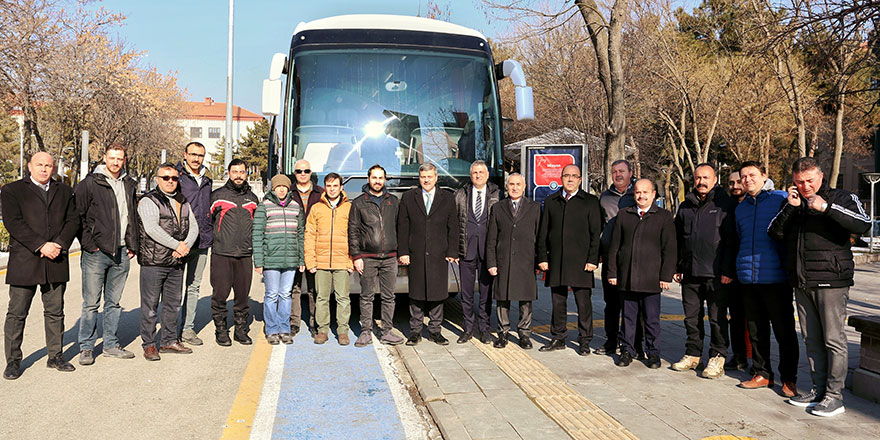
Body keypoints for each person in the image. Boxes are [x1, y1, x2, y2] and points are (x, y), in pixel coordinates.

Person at [769, 157, 871, 417]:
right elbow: (774, 233)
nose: (805, 186)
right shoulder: (793, 202)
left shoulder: (841, 197)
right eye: (799, 182)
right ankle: (818, 389)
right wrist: (791, 208)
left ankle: (835, 397)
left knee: (833, 339)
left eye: (809, 181)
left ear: (821, 177)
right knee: (812, 339)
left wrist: (827, 208)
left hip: (831, 280)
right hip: (802, 280)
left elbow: (863, 224)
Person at [2, 152, 80, 379]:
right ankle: (13, 361)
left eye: (48, 165)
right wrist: (40, 245)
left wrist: (59, 244)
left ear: (54, 168)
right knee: (17, 314)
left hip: (56, 260)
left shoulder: (65, 191)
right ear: (29, 166)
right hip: (25, 261)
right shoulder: (12, 190)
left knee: (55, 312)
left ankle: (55, 356)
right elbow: (13, 222)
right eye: (39, 165)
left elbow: (73, 220)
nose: (44, 169)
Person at [733, 161, 799, 397]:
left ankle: (789, 379)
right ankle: (762, 373)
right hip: (749, 278)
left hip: (776, 277)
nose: (747, 179)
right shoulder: (741, 208)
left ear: (764, 175)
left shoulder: (780, 199)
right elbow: (740, 238)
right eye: (743, 176)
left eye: (752, 174)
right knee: (756, 330)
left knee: (784, 332)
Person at [75, 145, 139, 365]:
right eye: (112, 158)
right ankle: (86, 347)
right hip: (96, 252)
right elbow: (78, 215)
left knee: (114, 302)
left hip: (121, 252)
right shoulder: (91, 183)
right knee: (91, 303)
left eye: (119, 158)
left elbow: (132, 215)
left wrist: (132, 245)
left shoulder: (129, 183)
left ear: (124, 159)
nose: (115, 162)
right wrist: (89, 244)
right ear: (104, 158)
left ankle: (111, 344)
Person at [671, 163, 737, 378]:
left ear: (715, 179)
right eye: (698, 178)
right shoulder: (685, 206)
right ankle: (692, 354)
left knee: (717, 318)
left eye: (706, 177)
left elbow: (731, 241)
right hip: (690, 273)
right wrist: (677, 266)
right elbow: (679, 239)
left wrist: (728, 270)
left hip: (716, 274)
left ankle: (718, 356)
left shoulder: (725, 205)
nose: (701, 182)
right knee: (691, 317)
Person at [607, 179, 676, 368]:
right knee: (628, 318)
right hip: (627, 277)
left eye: (646, 192)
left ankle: (653, 353)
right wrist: (613, 272)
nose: (641, 196)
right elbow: (615, 246)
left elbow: (669, 248)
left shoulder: (663, 216)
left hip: (651, 278)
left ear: (653, 194)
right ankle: (627, 350)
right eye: (638, 192)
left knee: (652, 319)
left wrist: (665, 276)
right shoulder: (624, 215)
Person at [537, 164, 602, 355]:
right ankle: (558, 337)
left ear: (580, 180)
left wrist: (592, 259)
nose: (570, 179)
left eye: (574, 176)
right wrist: (542, 257)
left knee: (583, 303)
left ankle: (584, 340)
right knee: (558, 302)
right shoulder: (551, 201)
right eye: (567, 175)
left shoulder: (590, 201)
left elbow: (595, 233)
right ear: (561, 178)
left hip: (582, 262)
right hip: (556, 260)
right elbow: (543, 232)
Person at [137, 163, 198, 360]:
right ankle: (149, 344)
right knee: (150, 306)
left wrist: (185, 246)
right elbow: (152, 229)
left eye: (173, 178)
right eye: (166, 178)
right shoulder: (149, 200)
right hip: (154, 262)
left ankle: (169, 341)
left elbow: (194, 227)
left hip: (176, 262)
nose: (170, 181)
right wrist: (176, 245)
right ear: (157, 179)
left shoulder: (182, 200)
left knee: (173, 304)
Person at [398, 163, 458, 346]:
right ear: (419, 178)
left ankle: (435, 331)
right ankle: (415, 331)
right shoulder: (409, 197)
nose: (426, 180)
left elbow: (453, 226)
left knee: (438, 293)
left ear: (436, 177)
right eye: (423, 177)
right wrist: (403, 251)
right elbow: (403, 226)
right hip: (415, 253)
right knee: (416, 293)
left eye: (429, 176)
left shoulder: (447, 197)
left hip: (439, 253)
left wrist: (452, 251)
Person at [348, 165, 405, 347]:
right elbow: (353, 231)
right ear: (368, 179)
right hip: (367, 257)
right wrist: (356, 256)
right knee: (367, 296)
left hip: (390, 257)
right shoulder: (358, 203)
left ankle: (387, 331)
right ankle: (366, 331)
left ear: (385, 180)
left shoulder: (394, 201)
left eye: (381, 178)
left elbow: (401, 229)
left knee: (389, 296)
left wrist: (401, 252)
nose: (378, 181)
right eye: (374, 177)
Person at [487, 173, 540, 349]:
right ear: (507, 187)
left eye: (518, 184)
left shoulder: (534, 207)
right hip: (504, 260)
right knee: (503, 298)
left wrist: (540, 260)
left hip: (526, 261)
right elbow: (491, 239)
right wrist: (492, 263)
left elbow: (539, 237)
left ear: (524, 186)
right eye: (511, 184)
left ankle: (524, 333)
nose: (515, 187)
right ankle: (503, 333)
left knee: (525, 299)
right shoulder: (498, 208)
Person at [210, 159, 260, 346]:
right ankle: (221, 330)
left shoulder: (253, 199)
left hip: (245, 255)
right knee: (220, 294)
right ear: (228, 173)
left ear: (247, 174)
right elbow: (209, 223)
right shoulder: (217, 196)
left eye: (242, 172)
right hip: (222, 253)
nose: (238, 175)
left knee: (242, 296)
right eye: (235, 172)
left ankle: (240, 330)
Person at [253, 174, 304, 345]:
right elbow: (257, 235)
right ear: (273, 188)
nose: (281, 189)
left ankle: (284, 329)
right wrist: (258, 261)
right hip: (271, 260)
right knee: (271, 295)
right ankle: (272, 329)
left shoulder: (296, 207)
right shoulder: (264, 207)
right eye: (278, 187)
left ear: (289, 188)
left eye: (284, 187)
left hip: (290, 260)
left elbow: (300, 235)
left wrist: (301, 259)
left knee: (285, 295)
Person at [596, 159, 640, 356]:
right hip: (610, 259)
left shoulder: (639, 194)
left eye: (622, 171)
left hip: (634, 259)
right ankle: (611, 341)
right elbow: (599, 226)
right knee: (611, 304)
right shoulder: (604, 197)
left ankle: (633, 344)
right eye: (614, 171)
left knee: (632, 305)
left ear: (630, 172)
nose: (618, 175)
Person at [454, 160, 500, 344]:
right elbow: (454, 223)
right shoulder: (460, 194)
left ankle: (485, 328)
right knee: (466, 294)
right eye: (474, 173)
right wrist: (454, 249)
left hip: (487, 252)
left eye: (481, 172)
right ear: (470, 175)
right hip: (466, 251)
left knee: (485, 293)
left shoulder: (496, 194)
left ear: (487, 175)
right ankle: (467, 328)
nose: (478, 175)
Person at [304, 173, 353, 345]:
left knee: (343, 298)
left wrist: (351, 261)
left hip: (342, 261)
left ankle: (342, 331)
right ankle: (323, 330)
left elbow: (355, 236)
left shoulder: (349, 208)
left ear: (341, 187)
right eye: (329, 186)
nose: (332, 189)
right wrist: (311, 261)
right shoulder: (317, 208)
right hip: (321, 261)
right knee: (321, 297)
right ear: (326, 187)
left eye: (335, 186)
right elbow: (309, 235)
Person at [176, 141, 213, 346]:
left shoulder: (207, 180)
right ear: (185, 154)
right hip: (180, 242)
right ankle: (172, 331)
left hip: (202, 241)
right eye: (193, 154)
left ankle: (188, 329)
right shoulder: (177, 177)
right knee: (174, 288)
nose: (196, 159)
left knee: (193, 287)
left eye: (200, 155)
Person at [289, 159, 323, 337]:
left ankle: (315, 322)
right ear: (294, 173)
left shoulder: (321, 193)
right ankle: (294, 322)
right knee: (294, 286)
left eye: (306, 171)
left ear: (311, 173)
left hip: (315, 246)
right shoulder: (287, 193)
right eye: (299, 171)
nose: (303, 174)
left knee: (314, 287)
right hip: (292, 246)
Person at [724, 170, 749, 372]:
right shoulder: (728, 207)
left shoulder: (754, 204)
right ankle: (739, 356)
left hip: (752, 270)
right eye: (731, 183)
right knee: (736, 318)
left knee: (756, 320)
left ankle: (759, 361)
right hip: (733, 272)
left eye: (738, 182)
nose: (735, 186)